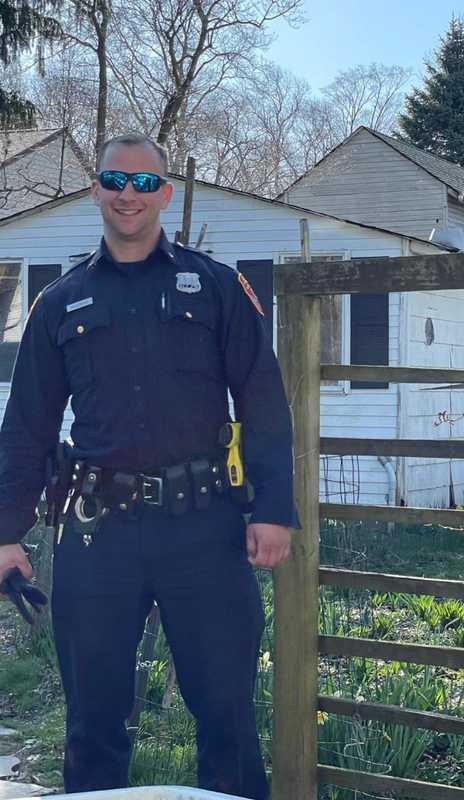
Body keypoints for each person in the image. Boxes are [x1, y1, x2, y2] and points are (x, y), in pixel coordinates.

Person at [0, 133, 298, 799]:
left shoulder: (216, 286)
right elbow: (26, 427)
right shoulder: (59, 302)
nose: (127, 195)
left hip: (205, 531)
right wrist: (6, 531)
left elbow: (263, 400)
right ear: (95, 191)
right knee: (93, 726)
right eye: (114, 180)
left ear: (164, 193)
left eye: (142, 183)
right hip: (98, 536)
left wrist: (273, 508)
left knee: (227, 719)